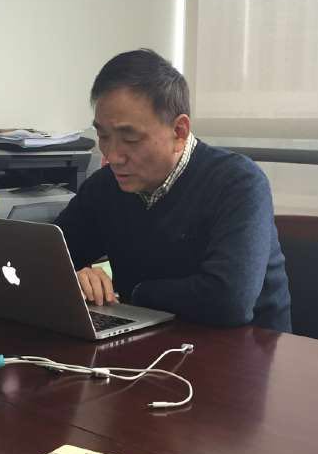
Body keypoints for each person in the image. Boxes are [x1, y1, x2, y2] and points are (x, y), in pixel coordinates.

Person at [55, 49, 291, 330]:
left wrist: (131, 291)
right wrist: (75, 277)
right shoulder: (105, 186)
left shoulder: (238, 183)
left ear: (179, 131)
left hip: (245, 347)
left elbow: (229, 300)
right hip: (151, 340)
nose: (113, 156)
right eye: (103, 136)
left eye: (130, 139)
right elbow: (46, 259)